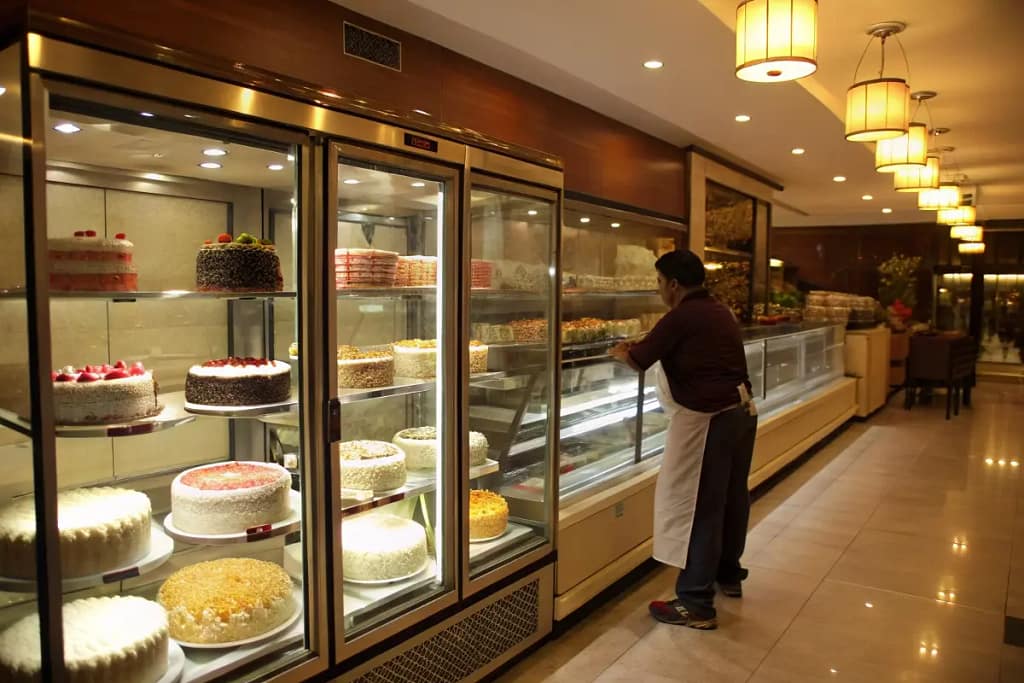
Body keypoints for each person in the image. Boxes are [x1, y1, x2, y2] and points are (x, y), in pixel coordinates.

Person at [609, 249, 758, 630]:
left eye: (659, 282)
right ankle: (727, 573)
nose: (659, 290)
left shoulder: (680, 317)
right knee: (730, 499)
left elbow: (638, 360)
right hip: (741, 412)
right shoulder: (718, 310)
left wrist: (619, 350)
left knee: (699, 505)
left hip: (709, 420)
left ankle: (695, 602)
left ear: (674, 284)